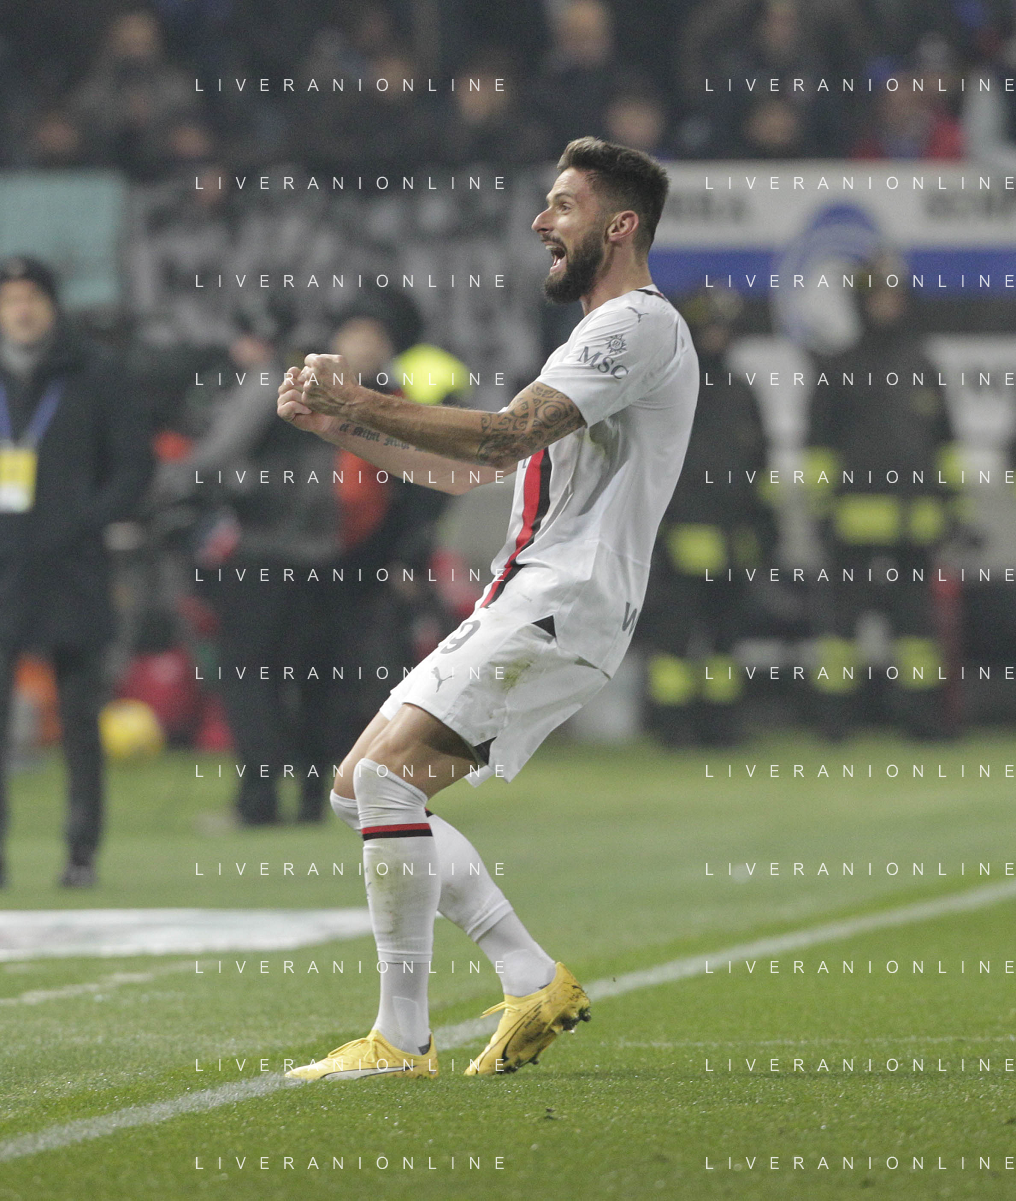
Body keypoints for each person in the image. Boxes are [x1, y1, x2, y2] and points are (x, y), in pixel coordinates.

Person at [277, 138, 699, 1080]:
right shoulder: (598, 338)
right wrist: (342, 424)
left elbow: (504, 433)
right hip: (532, 595)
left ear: (620, 225)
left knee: (385, 783)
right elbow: (476, 470)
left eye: (564, 205)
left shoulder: (635, 325)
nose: (542, 222)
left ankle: (403, 1037)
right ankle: (526, 976)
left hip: (563, 598)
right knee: (359, 790)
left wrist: (359, 396)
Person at [0, 257, 152, 887]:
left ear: (52, 305)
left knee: (80, 721)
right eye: (9, 298)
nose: (21, 309)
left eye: (31, 296)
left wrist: (84, 521)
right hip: (3, 568)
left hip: (73, 569)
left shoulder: (95, 371)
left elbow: (134, 466)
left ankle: (81, 852)